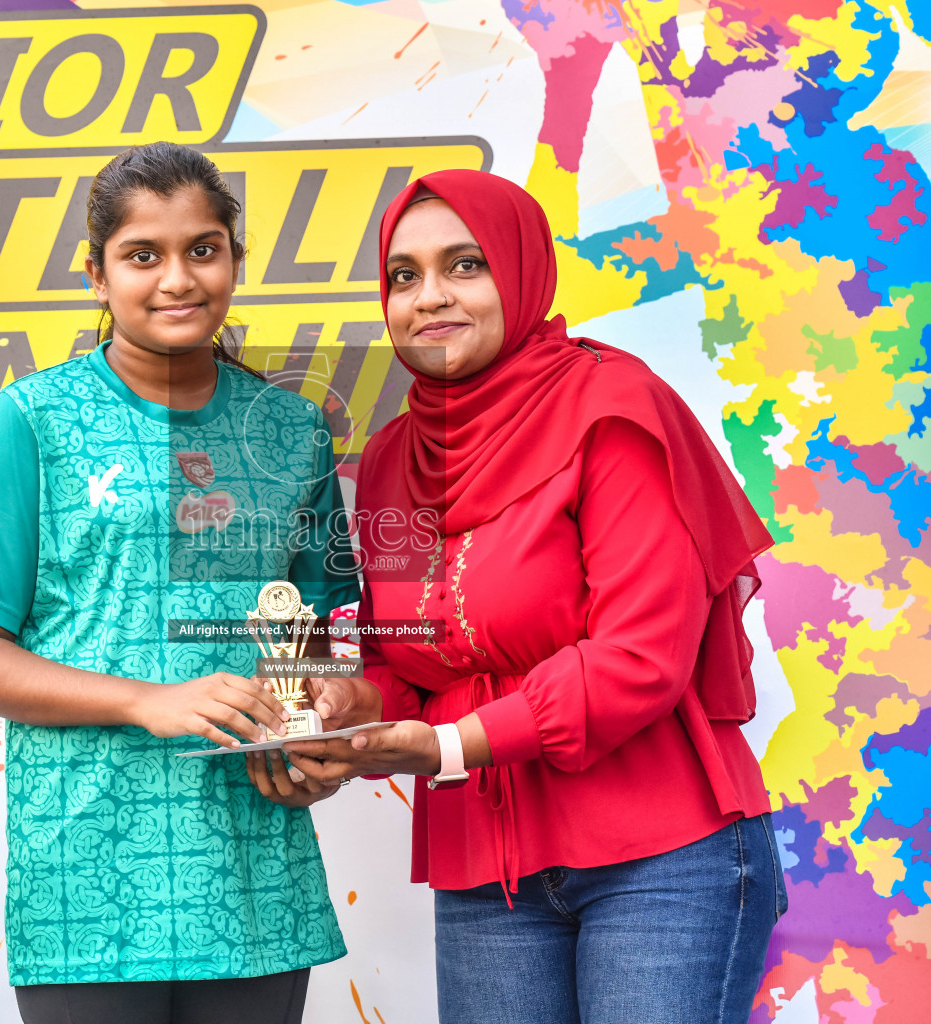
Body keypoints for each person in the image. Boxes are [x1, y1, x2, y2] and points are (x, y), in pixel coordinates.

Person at [276, 169, 789, 1024]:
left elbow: (639, 661)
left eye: (464, 266)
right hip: (486, 874)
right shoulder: (396, 457)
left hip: (661, 860)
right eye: (404, 276)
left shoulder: (612, 411)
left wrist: (445, 748)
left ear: (520, 272)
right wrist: (346, 703)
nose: (429, 297)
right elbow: (410, 662)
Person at [0, 141, 359, 1024]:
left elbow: (316, 632)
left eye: (203, 249)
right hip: (88, 868)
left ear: (236, 262)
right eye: (143, 255)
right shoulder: (32, 421)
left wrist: (317, 732)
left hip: (254, 862)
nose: (178, 278)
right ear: (98, 274)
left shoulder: (293, 431)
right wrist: (145, 700)